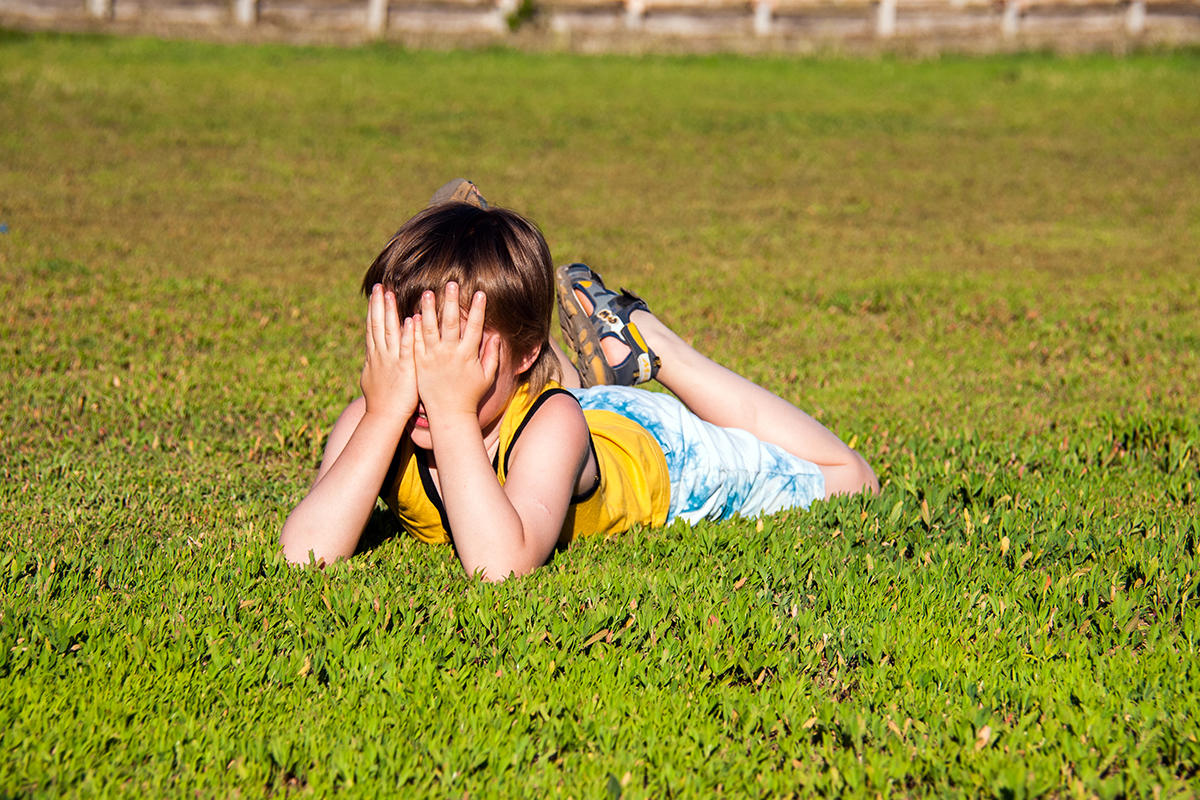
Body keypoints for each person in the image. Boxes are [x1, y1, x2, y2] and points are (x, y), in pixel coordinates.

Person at [280, 181, 877, 580]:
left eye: (454, 353)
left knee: (852, 479)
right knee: (547, 387)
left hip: (660, 457)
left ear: (516, 359)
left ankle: (653, 346)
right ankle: (492, 256)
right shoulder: (378, 419)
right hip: (539, 389)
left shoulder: (551, 425)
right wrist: (383, 416)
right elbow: (304, 553)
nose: (430, 379)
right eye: (413, 349)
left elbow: (502, 565)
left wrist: (456, 414)